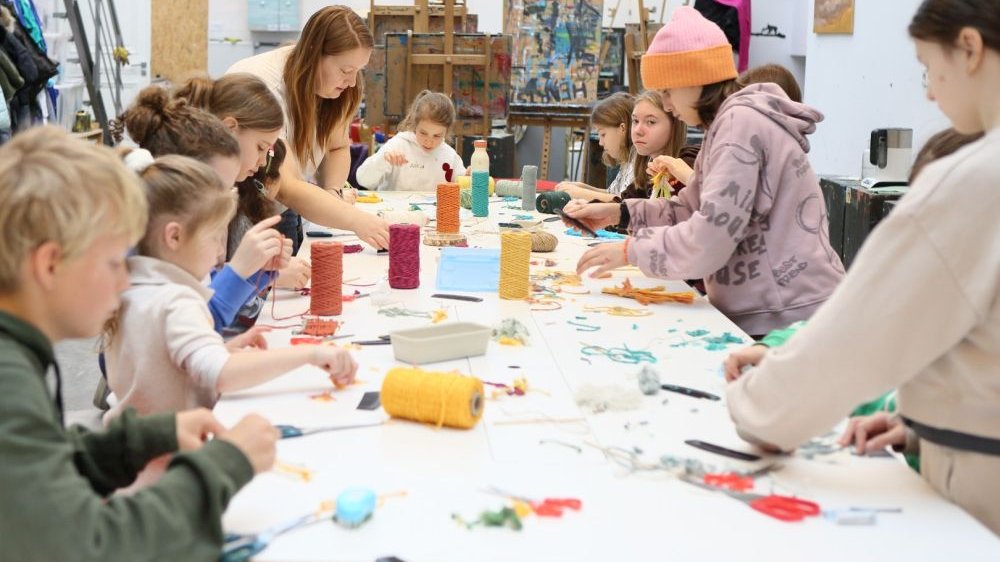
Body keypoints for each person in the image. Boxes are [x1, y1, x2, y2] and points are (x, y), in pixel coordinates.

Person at [726, 0, 1000, 534]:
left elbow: (857, 337)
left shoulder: (974, 178)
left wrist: (757, 409)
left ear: (968, 47)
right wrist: (921, 421)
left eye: (928, 68)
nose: (927, 92)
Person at [0, 126, 279, 560]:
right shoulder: (8, 380)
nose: (124, 279)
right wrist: (224, 465)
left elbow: (32, 465)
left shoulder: (16, 355)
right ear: (50, 264)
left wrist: (143, 438)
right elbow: (94, 548)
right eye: (114, 262)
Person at [565, 7, 844, 336]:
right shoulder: (726, 127)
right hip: (775, 309)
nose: (667, 104)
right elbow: (688, 209)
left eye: (668, 91)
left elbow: (709, 237)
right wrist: (618, 213)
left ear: (694, 78)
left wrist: (631, 250)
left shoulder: (739, 128)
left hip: (788, 316)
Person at [104, 155, 358, 422]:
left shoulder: (134, 287)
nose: (218, 251)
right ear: (174, 236)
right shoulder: (176, 301)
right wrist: (310, 353)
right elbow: (222, 374)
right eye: (214, 236)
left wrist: (220, 347)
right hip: (169, 450)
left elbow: (160, 364)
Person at [116, 87, 291, 332]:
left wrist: (258, 270)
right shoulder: (145, 261)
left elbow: (209, 314)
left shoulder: (178, 240)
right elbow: (200, 322)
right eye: (220, 192)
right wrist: (240, 269)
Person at [227, 6, 389, 249]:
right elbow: (286, 185)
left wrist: (333, 192)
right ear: (314, 54)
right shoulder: (264, 86)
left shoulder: (339, 86)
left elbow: (336, 147)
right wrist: (358, 221)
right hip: (242, 206)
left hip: (286, 203)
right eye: (346, 71)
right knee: (255, 277)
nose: (352, 81)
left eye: (358, 71)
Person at [356, 90, 467, 191]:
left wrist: (469, 177)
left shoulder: (450, 155)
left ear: (447, 132)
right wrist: (382, 160)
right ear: (415, 125)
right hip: (394, 211)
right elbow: (363, 180)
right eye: (423, 133)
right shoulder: (398, 145)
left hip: (432, 212)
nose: (429, 141)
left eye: (437, 136)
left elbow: (463, 187)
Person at [554, 92, 636, 201]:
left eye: (603, 134)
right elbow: (611, 193)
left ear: (622, 129)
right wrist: (580, 187)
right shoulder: (627, 162)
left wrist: (580, 193)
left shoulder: (636, 164)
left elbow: (621, 202)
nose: (600, 143)